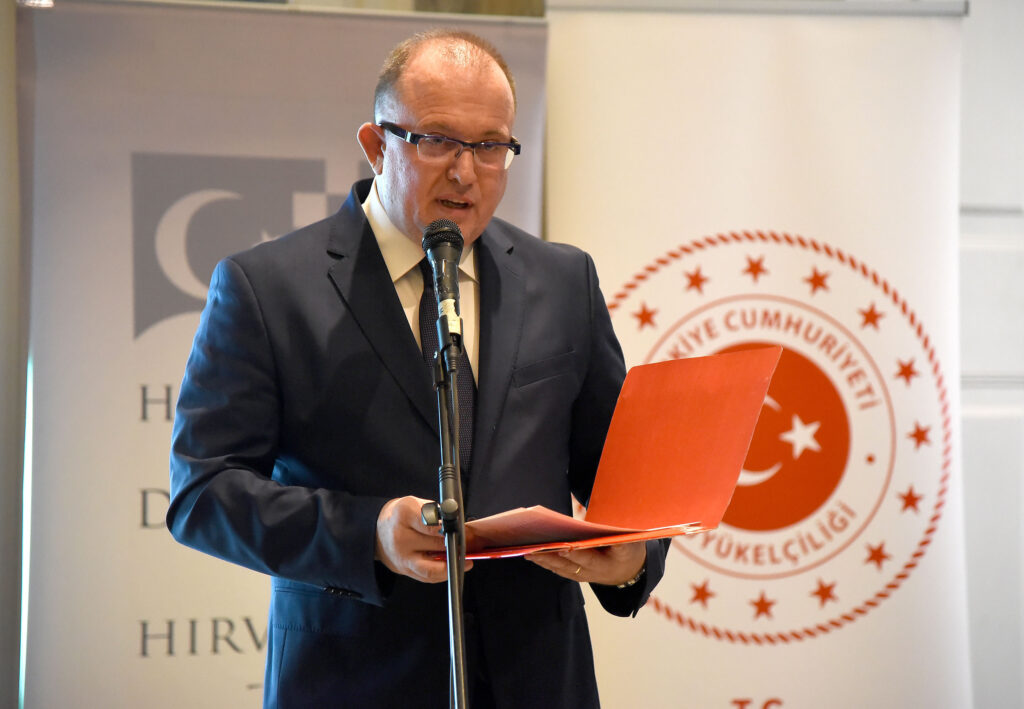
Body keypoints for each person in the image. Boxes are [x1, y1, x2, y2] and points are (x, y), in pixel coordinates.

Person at [167, 28, 668, 708]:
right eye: (437, 140)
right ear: (376, 145)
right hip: (353, 681)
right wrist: (367, 532)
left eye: (490, 146)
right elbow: (202, 492)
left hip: (539, 680)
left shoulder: (562, 280)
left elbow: (623, 479)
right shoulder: (267, 288)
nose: (465, 171)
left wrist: (635, 558)